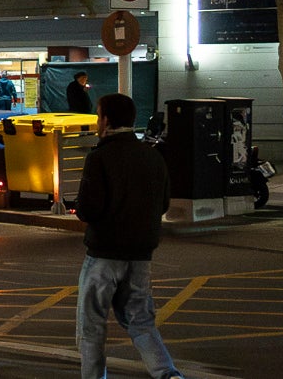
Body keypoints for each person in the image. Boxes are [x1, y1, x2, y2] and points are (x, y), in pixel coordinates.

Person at [74, 93, 187, 379]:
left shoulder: (99, 157)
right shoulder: (152, 157)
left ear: (107, 120)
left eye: (99, 116)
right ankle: (168, 374)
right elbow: (162, 205)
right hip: (140, 255)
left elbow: (88, 209)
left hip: (104, 254)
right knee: (141, 322)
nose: (97, 121)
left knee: (92, 327)